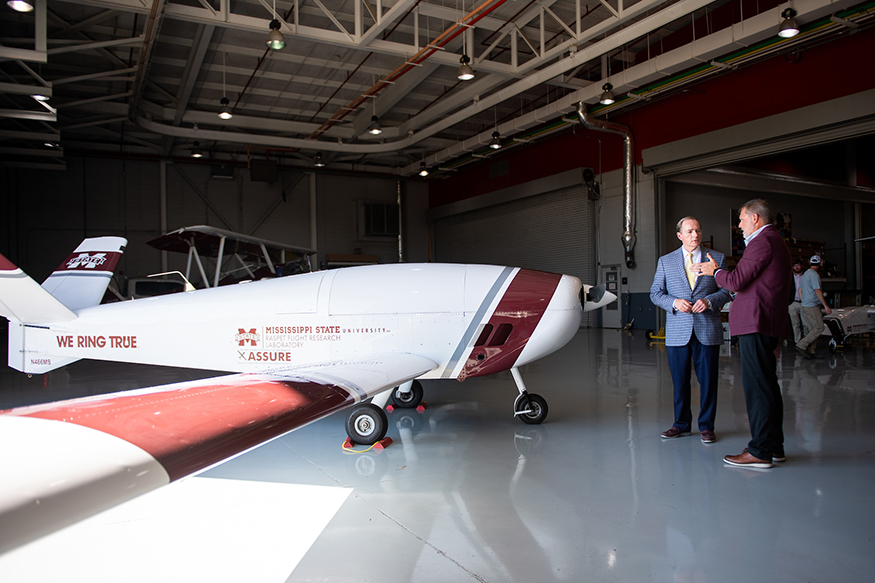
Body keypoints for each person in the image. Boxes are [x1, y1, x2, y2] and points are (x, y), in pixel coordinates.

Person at [694, 199, 791, 469]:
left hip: (756, 322)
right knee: (768, 385)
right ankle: (774, 446)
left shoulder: (761, 242)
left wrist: (716, 272)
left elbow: (736, 281)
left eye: (741, 219)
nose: (739, 225)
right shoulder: (776, 241)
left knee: (757, 387)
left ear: (756, 218)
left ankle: (760, 451)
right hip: (767, 322)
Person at [651, 217, 731, 444]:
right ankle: (681, 424)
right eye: (690, 231)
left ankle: (707, 427)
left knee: (708, 381)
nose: (695, 235)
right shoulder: (666, 261)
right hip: (678, 330)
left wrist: (708, 301)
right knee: (680, 382)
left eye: (698, 230)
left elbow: (726, 292)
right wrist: (674, 303)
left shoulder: (716, 258)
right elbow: (655, 293)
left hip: (707, 328)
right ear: (680, 236)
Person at [795, 255, 832, 357]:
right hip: (812, 305)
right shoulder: (815, 275)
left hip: (806, 305)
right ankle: (802, 345)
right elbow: (817, 290)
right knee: (819, 328)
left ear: (810, 263)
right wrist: (826, 305)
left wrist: (803, 303)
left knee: (812, 328)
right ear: (820, 264)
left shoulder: (805, 274)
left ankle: (811, 351)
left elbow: (800, 290)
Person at [788, 260, 805, 344]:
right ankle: (797, 342)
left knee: (806, 324)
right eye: (795, 266)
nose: (797, 267)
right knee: (795, 324)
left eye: (798, 265)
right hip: (793, 302)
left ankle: (805, 342)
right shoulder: (789, 277)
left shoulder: (805, 276)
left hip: (804, 302)